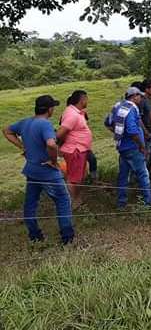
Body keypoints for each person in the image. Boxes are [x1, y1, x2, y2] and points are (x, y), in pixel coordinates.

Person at [3, 95, 75, 244]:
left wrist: (23, 146)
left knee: (30, 204)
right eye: (53, 107)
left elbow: (6, 131)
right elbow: (51, 144)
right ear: (49, 109)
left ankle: (35, 236)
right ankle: (68, 238)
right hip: (47, 171)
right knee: (62, 200)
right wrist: (54, 160)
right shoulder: (45, 124)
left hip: (31, 170)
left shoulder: (25, 122)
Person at [106, 87, 151, 208]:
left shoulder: (118, 106)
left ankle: (121, 203)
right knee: (143, 174)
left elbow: (108, 122)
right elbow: (132, 131)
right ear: (134, 96)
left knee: (123, 176)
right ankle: (148, 203)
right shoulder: (131, 109)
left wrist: (119, 134)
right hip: (133, 147)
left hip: (122, 147)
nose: (141, 98)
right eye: (140, 96)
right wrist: (142, 146)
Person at [56, 90, 93, 207]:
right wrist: (60, 146)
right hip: (75, 150)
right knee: (73, 179)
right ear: (82, 99)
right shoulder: (72, 114)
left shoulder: (77, 113)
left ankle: (77, 199)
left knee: (78, 177)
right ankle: (72, 202)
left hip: (80, 149)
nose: (87, 101)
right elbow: (60, 134)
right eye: (86, 99)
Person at [139, 79, 151, 175]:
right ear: (147, 89)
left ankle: (150, 178)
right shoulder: (142, 101)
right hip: (145, 133)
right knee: (145, 157)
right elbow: (138, 118)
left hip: (150, 132)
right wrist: (145, 131)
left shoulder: (149, 100)